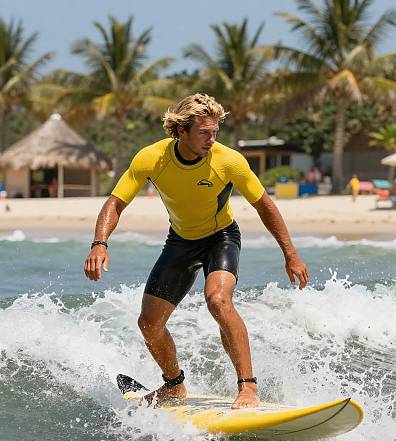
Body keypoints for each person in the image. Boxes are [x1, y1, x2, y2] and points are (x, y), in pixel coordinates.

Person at [84, 94, 309, 409]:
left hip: (221, 238)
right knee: (148, 324)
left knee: (218, 299)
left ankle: (247, 388)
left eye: (215, 132)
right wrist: (99, 243)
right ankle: (174, 385)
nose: (212, 139)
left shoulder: (228, 160)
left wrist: (291, 254)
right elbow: (116, 202)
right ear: (181, 131)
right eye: (204, 133)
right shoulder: (151, 158)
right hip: (180, 241)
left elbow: (264, 206)